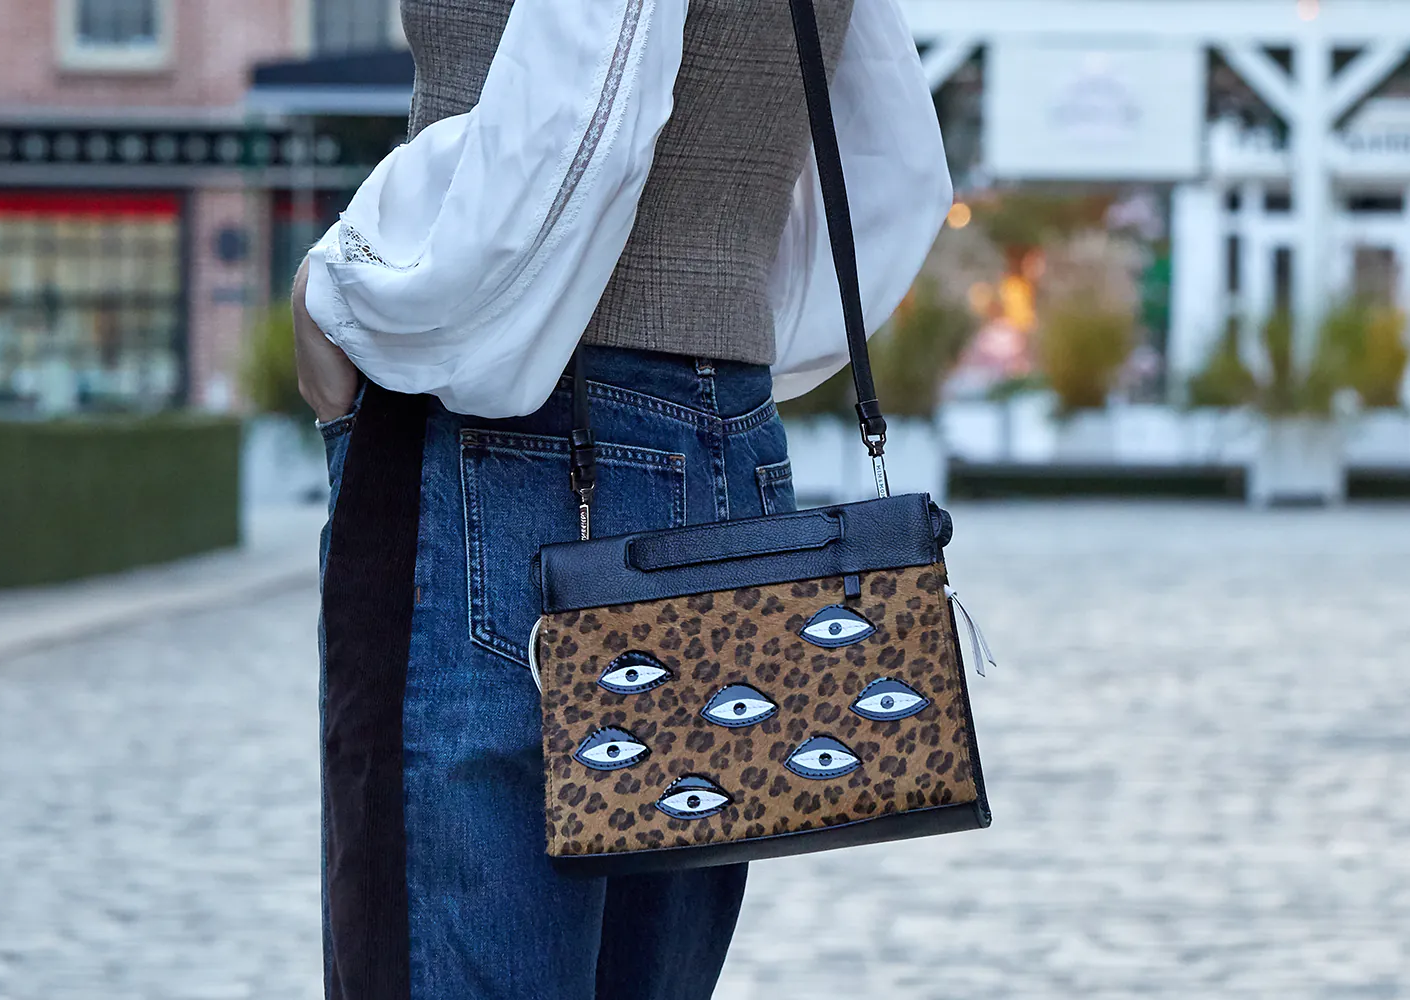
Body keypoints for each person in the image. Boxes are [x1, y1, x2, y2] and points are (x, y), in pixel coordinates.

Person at [292, 0, 951, 996]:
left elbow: (581, 103)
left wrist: (348, 286)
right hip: (721, 438)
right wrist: (712, 320)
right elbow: (894, 167)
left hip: (518, 437)